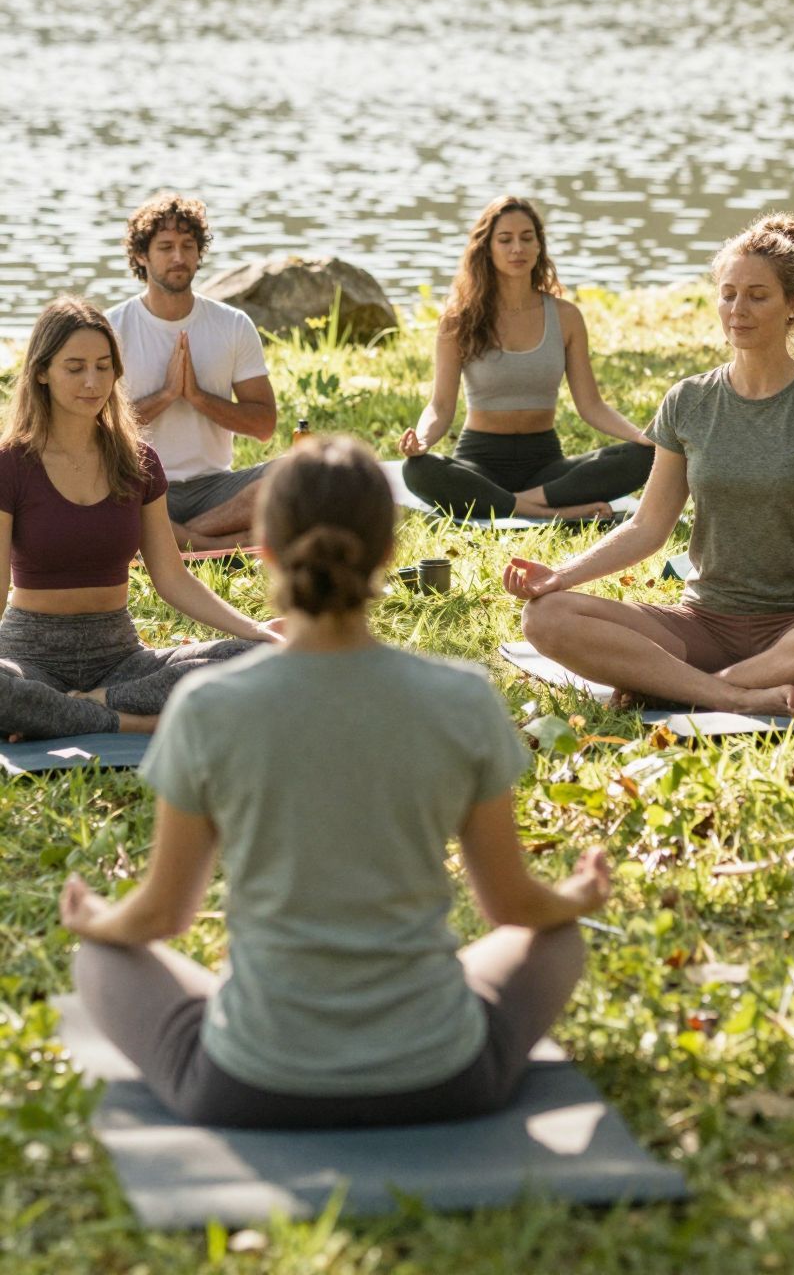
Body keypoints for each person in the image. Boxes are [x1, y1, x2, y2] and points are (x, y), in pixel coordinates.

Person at [60, 434, 609, 1128]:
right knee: (560, 938)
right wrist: (575, 896)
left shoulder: (207, 706)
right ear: (388, 552)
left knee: (102, 960)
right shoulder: (462, 697)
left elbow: (161, 917)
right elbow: (513, 906)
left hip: (249, 1083)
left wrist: (95, 920)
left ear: (263, 548)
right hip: (446, 1076)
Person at [503, 214, 794, 714]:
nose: (738, 309)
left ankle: (682, 686)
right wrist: (561, 576)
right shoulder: (688, 401)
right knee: (545, 617)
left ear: (793, 304)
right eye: (728, 293)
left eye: (758, 296)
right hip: (702, 624)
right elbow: (648, 526)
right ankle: (732, 697)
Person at [0, 299, 270, 741]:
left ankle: (81, 710)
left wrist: (256, 629)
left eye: (103, 367)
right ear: (42, 372)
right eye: (75, 367)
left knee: (257, 658)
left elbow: (172, 578)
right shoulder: (10, 465)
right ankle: (133, 722)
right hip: (30, 658)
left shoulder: (138, 461)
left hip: (122, 663)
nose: (92, 382)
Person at [401, 195, 654, 521]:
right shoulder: (458, 320)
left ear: (539, 246)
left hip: (546, 468)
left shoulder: (566, 317)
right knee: (419, 470)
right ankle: (555, 512)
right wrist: (421, 440)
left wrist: (639, 437)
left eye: (526, 238)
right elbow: (440, 406)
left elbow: (591, 405)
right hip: (479, 463)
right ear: (486, 249)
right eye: (505, 240)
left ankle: (511, 503)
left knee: (646, 457)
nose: (517, 248)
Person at [108, 193, 278, 549]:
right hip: (140, 486)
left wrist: (198, 397)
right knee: (97, 498)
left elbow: (263, 426)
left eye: (188, 245)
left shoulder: (232, 324)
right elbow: (95, 431)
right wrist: (167, 395)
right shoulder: (111, 328)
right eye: (166, 247)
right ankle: (220, 546)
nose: (179, 257)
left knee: (299, 474)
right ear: (142, 255)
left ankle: (179, 543)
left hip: (216, 489)